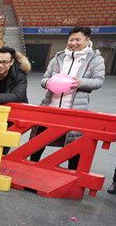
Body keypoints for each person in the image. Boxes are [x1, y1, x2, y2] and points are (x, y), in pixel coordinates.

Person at [30, 26, 105, 169]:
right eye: (71, 39)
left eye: (78, 39)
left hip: (75, 110)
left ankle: (72, 176)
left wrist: (80, 82)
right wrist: (48, 83)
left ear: (87, 40)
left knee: (74, 144)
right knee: (38, 141)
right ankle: (30, 168)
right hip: (50, 108)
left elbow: (99, 81)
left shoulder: (96, 59)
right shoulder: (58, 58)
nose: (74, 43)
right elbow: (44, 79)